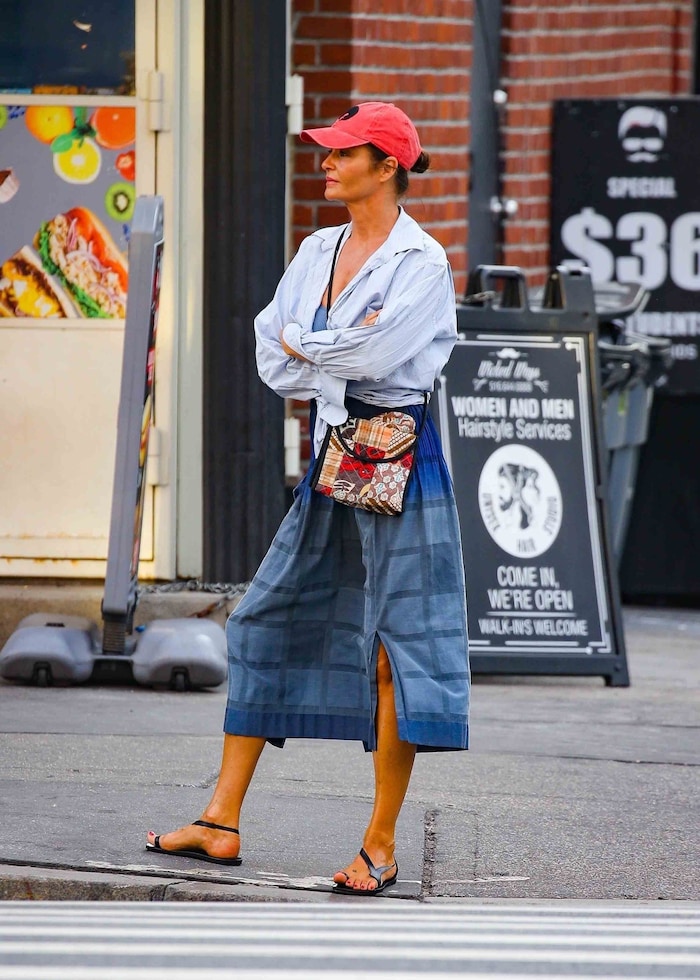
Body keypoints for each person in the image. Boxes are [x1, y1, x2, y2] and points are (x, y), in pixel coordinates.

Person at [147, 101, 470, 895]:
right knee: (264, 616)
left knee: (400, 648)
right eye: (325, 152)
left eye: (341, 152)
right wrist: (327, 356)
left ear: (387, 165)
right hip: (335, 449)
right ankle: (220, 821)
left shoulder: (421, 263)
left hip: (399, 453)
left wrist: (313, 348)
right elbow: (271, 351)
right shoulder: (319, 245)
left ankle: (382, 843)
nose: (325, 163)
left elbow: (381, 353)